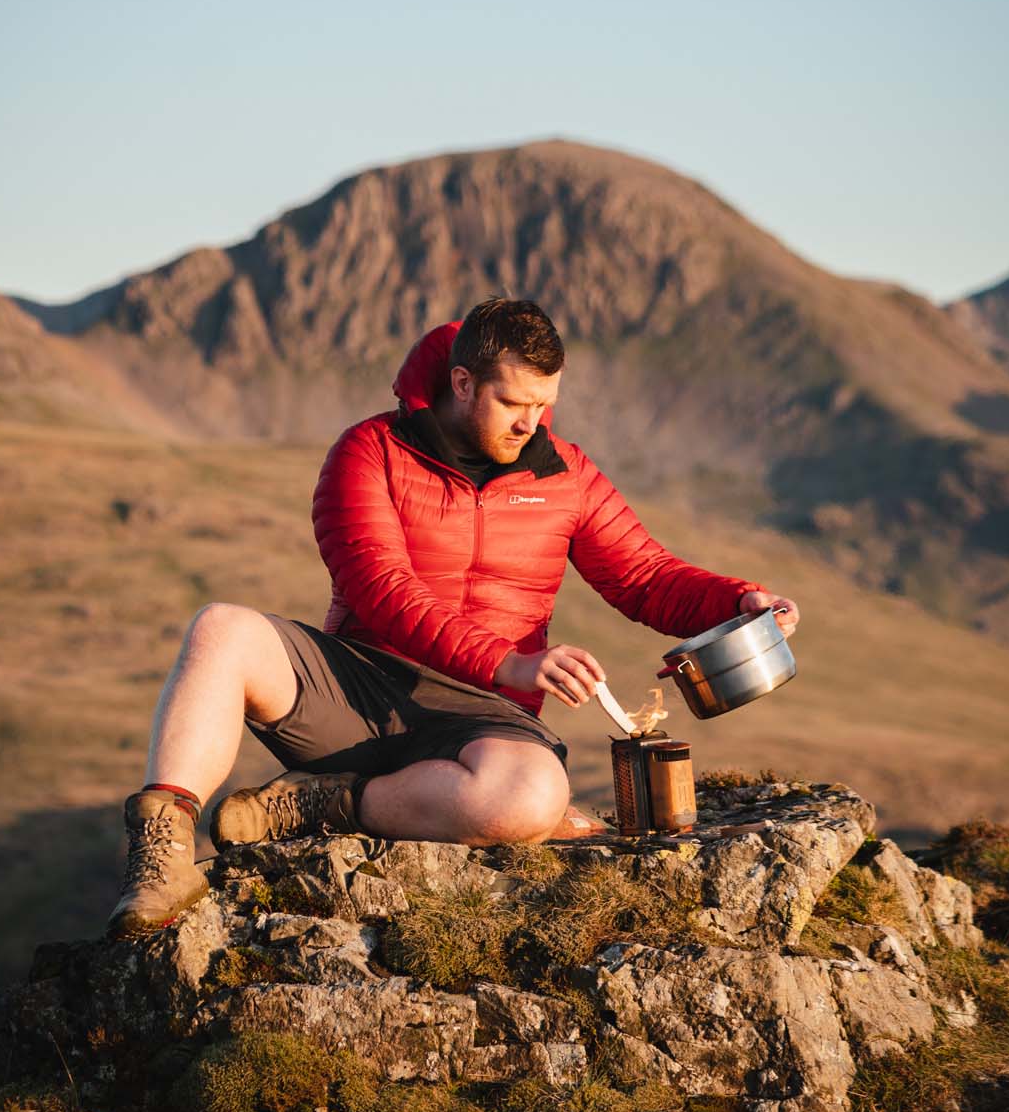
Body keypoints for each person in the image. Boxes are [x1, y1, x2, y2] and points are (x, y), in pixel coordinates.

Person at [107, 299, 799, 938]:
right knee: (221, 629)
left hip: (485, 719)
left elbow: (644, 577)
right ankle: (162, 854)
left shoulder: (567, 476)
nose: (531, 423)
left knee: (530, 796)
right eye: (514, 403)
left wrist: (739, 601)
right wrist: (510, 662)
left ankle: (324, 805)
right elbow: (381, 589)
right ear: (463, 383)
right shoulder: (369, 451)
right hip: (359, 686)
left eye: (544, 405)